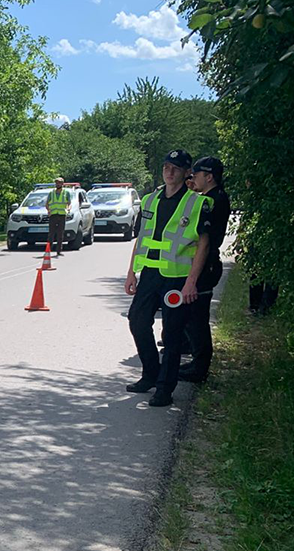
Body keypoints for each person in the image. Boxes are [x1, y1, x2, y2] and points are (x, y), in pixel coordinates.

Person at [124, 150, 213, 407]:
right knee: (137, 321)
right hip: (150, 274)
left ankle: (164, 389)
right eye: (166, 166)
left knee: (172, 335)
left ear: (187, 172)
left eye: (175, 167)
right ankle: (151, 373)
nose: (169, 171)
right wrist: (131, 272)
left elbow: (202, 246)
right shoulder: (150, 200)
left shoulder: (198, 203)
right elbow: (141, 238)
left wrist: (191, 282)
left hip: (178, 277)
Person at [179, 157, 231, 383]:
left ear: (208, 176)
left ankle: (199, 368)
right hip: (207, 263)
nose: (192, 179)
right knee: (193, 316)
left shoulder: (209, 201)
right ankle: (196, 360)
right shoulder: (213, 197)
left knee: (197, 318)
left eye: (196, 175)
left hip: (205, 264)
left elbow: (205, 239)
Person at [47, 177, 70, 256]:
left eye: (59, 183)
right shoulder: (51, 193)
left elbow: (69, 203)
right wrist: (48, 210)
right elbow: (47, 203)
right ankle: (48, 250)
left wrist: (68, 209)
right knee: (51, 233)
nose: (57, 184)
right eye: (56, 183)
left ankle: (59, 250)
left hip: (62, 215)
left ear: (62, 184)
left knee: (60, 233)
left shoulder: (66, 193)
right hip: (53, 215)